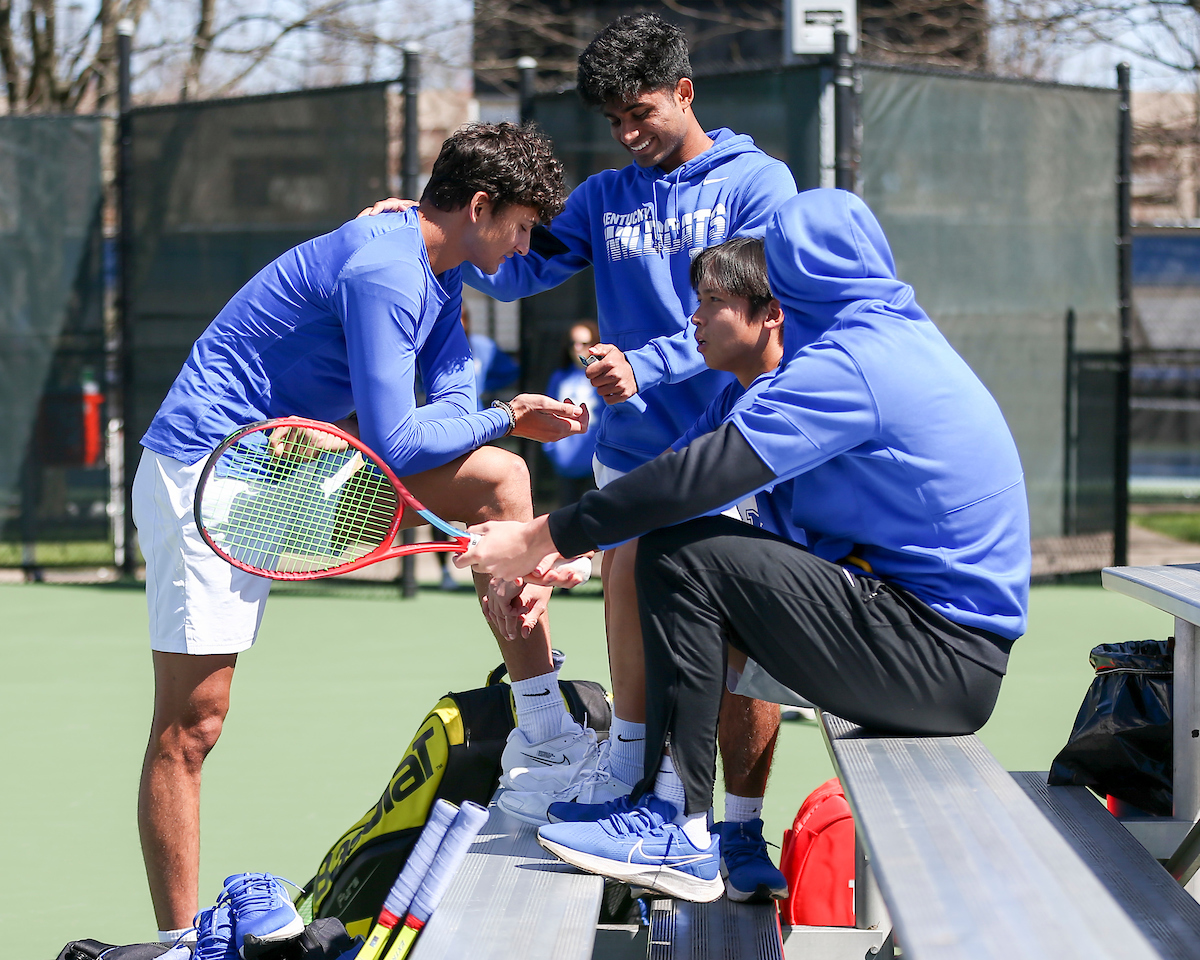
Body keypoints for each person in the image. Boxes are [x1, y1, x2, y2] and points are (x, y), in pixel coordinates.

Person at [456, 188, 1033, 903]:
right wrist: (559, 554)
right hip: (932, 647)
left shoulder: (853, 362)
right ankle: (665, 801)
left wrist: (538, 535)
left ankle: (680, 826)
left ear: (788, 288)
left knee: (687, 553)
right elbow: (687, 484)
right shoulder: (885, 338)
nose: (696, 312)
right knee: (686, 550)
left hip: (937, 658)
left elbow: (694, 481)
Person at [131, 122, 587, 943]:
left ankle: (546, 732)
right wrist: (509, 413)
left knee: (502, 478)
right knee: (192, 724)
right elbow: (402, 439)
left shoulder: (441, 268)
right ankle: (177, 941)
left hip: (289, 458)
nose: (525, 245)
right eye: (521, 225)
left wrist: (484, 420)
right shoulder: (386, 269)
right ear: (480, 207)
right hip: (205, 470)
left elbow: (447, 398)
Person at [455, 13, 800, 851]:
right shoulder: (606, 197)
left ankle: (742, 833)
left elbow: (758, 308)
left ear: (685, 93)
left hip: (734, 453)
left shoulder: (760, 185)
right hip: (633, 458)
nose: (628, 132)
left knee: (733, 652)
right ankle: (635, 784)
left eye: (641, 111)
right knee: (630, 621)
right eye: (613, 120)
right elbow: (515, 269)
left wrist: (649, 364)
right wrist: (430, 231)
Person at [543, 321, 602, 506]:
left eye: (584, 344)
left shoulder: (604, 377)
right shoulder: (559, 377)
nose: (577, 349)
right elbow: (547, 414)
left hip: (596, 465)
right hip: (565, 464)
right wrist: (552, 449)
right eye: (572, 343)